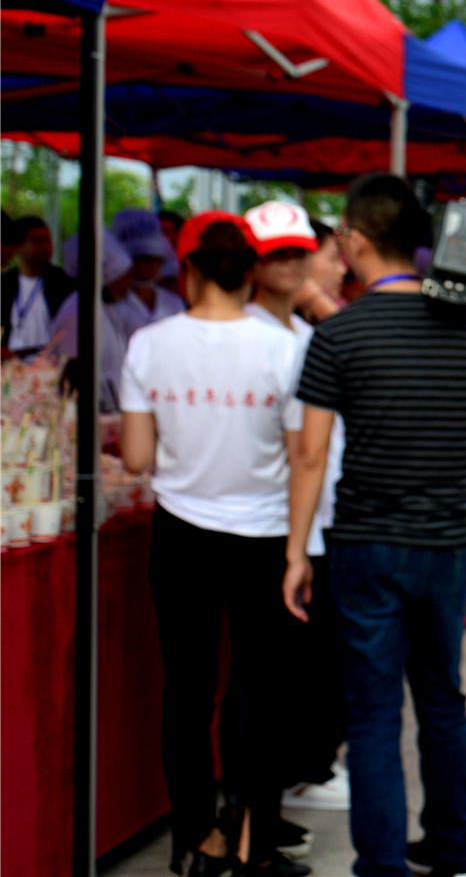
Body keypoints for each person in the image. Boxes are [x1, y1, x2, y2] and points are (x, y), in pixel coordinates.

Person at [282, 173, 466, 877]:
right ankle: (455, 855)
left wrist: (297, 553)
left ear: (355, 239)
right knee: (442, 698)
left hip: (364, 541)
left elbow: (310, 455)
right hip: (448, 543)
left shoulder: (339, 331)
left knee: (374, 713)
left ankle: (380, 867)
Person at [118, 212, 308, 877]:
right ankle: (255, 840)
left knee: (188, 694)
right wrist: (297, 552)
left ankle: (199, 840)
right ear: (249, 271)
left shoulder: (149, 343)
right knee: (262, 693)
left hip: (182, 536)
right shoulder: (282, 348)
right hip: (263, 536)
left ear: (187, 267)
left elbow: (138, 459)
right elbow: (303, 459)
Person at [239, 202, 353, 819]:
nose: (290, 263)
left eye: (297, 251)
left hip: (322, 517)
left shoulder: (311, 335)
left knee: (313, 667)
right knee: (278, 676)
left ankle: (299, 774)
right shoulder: (249, 333)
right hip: (277, 526)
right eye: (274, 252)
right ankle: (272, 794)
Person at [43, 230, 135, 412]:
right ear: (108, 277)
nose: (128, 284)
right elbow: (73, 374)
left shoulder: (107, 308)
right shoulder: (78, 311)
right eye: (123, 277)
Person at [3, 214, 77, 357]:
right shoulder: (5, 284)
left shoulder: (63, 283)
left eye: (47, 240)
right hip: (10, 365)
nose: (45, 247)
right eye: (37, 241)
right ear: (17, 247)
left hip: (52, 363)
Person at [112, 208, 186, 336]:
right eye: (136, 260)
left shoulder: (174, 304)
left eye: (149, 260)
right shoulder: (113, 307)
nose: (143, 268)